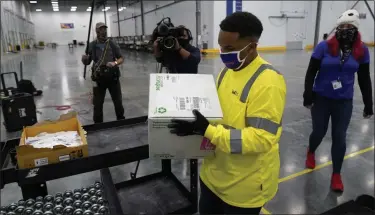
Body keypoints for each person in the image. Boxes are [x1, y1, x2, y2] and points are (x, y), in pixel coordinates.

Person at [168, 12, 286, 214]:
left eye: (229, 48)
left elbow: (261, 139)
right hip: (213, 175)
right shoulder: (226, 72)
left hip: (244, 187)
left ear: (252, 46)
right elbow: (219, 115)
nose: (223, 53)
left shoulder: (268, 82)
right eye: (221, 46)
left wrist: (208, 130)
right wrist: (197, 126)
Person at [303, 9, 373, 192]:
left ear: (356, 29)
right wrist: (307, 94)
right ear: (337, 27)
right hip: (321, 98)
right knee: (319, 131)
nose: (345, 29)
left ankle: (336, 174)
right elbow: (311, 72)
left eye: (350, 26)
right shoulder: (324, 47)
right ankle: (311, 151)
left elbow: (364, 78)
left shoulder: (362, 51)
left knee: (339, 137)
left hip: (344, 101)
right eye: (342, 26)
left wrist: (368, 103)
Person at [81, 22, 125, 123]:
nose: (103, 31)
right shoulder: (92, 45)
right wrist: (84, 59)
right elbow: (87, 62)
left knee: (118, 102)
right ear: (97, 31)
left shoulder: (112, 43)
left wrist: (114, 63)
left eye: (104, 29)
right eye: (101, 29)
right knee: (98, 104)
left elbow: (121, 58)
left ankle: (121, 121)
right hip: (99, 78)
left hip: (113, 77)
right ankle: (98, 124)